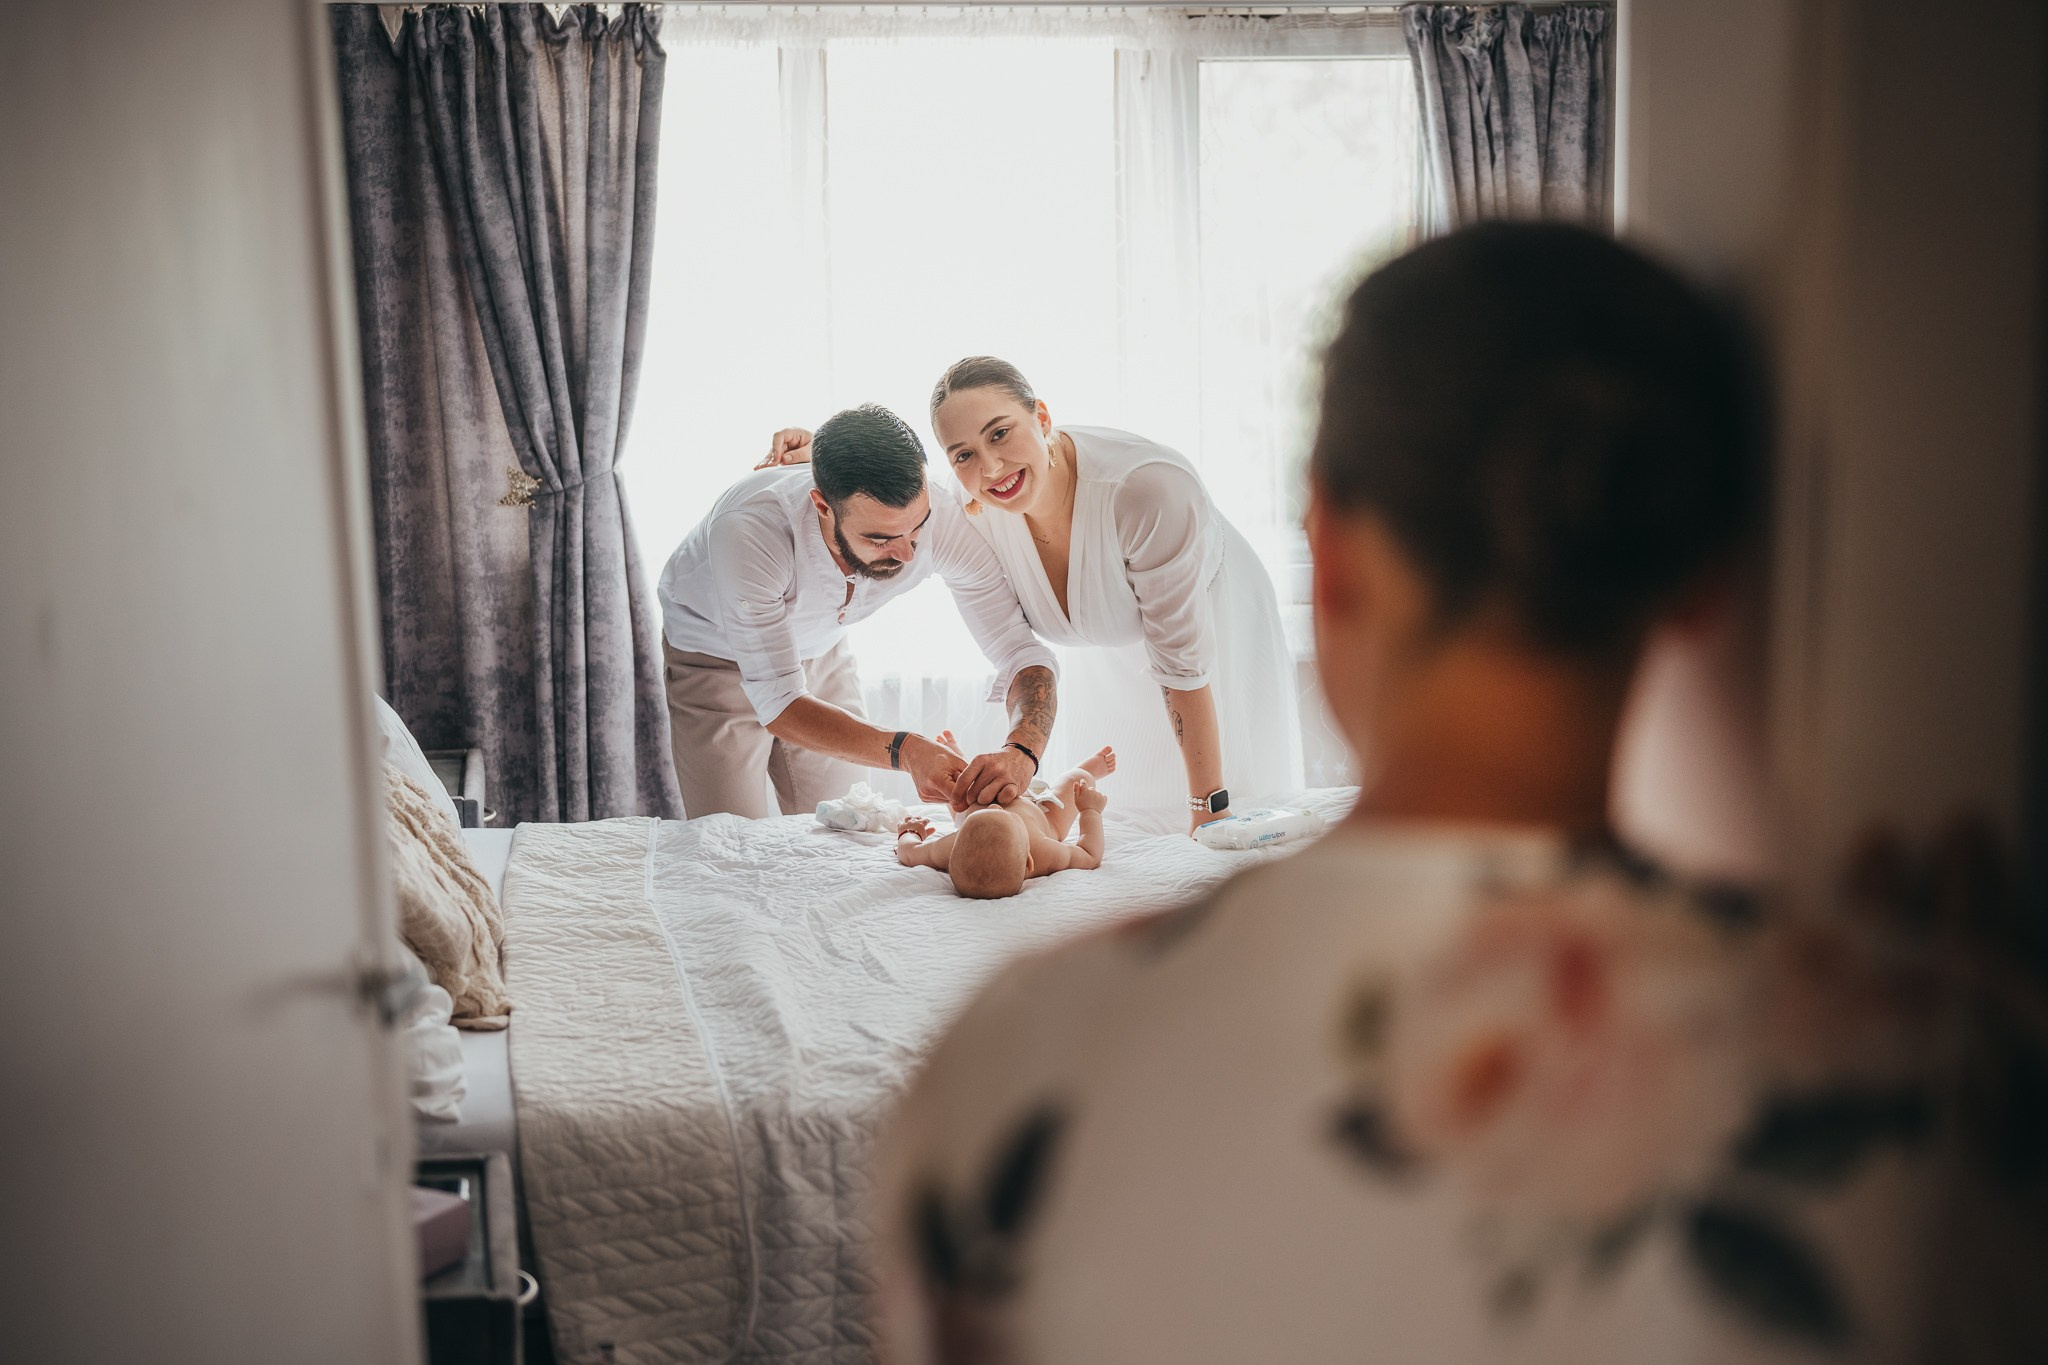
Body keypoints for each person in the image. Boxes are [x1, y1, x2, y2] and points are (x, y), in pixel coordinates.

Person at [868, 225, 1949, 1361]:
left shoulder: (1019, 1057)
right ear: (1704, 584)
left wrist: (1205, 812)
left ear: (1326, 552)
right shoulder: (1941, 1081)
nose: (985, 461)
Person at [760, 362, 1302, 833]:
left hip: (1208, 652)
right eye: (964, 454)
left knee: (1212, 830)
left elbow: (1183, 667)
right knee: (1115, 817)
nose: (990, 469)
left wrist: (1208, 808)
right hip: (1105, 662)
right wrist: (820, 463)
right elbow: (881, 493)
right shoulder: (968, 506)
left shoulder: (1148, 491)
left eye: (1000, 434)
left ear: (1042, 417)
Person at [657, 404, 1057, 820]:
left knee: (846, 822)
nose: (906, 554)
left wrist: (1023, 749)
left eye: (916, 528)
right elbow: (779, 705)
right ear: (823, 506)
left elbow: (1019, 650)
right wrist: (908, 751)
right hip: (714, 658)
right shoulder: (751, 531)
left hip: (821, 648)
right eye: (881, 538)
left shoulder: (940, 516)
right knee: (727, 838)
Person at [895, 745, 1117, 899]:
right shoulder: (1044, 851)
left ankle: (959, 767)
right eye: (1005, 813)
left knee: (956, 796)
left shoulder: (950, 848)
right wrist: (1090, 810)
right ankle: (1087, 772)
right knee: (1075, 782)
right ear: (1029, 861)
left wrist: (909, 832)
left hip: (977, 799)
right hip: (1043, 814)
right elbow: (1090, 855)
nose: (996, 806)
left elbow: (910, 853)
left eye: (984, 814)